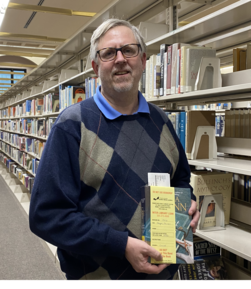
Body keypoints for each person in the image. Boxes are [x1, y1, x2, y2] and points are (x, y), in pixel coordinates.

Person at [29, 18, 200, 282]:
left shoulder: (163, 122)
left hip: (161, 276)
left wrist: (188, 203)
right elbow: (46, 215)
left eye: (128, 50)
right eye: (109, 53)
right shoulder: (72, 126)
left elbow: (181, 179)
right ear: (96, 67)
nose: (120, 59)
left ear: (143, 60)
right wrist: (121, 245)